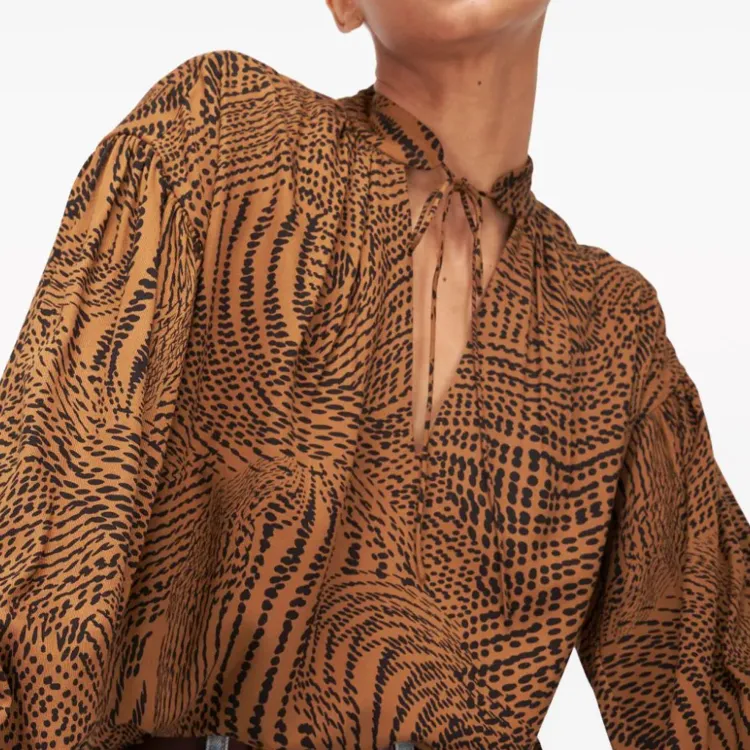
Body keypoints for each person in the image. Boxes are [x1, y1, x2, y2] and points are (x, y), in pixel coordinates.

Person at [0, 0, 747, 748]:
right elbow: (50, 514)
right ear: (343, 3)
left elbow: (708, 671)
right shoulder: (225, 135)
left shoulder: (610, 323)